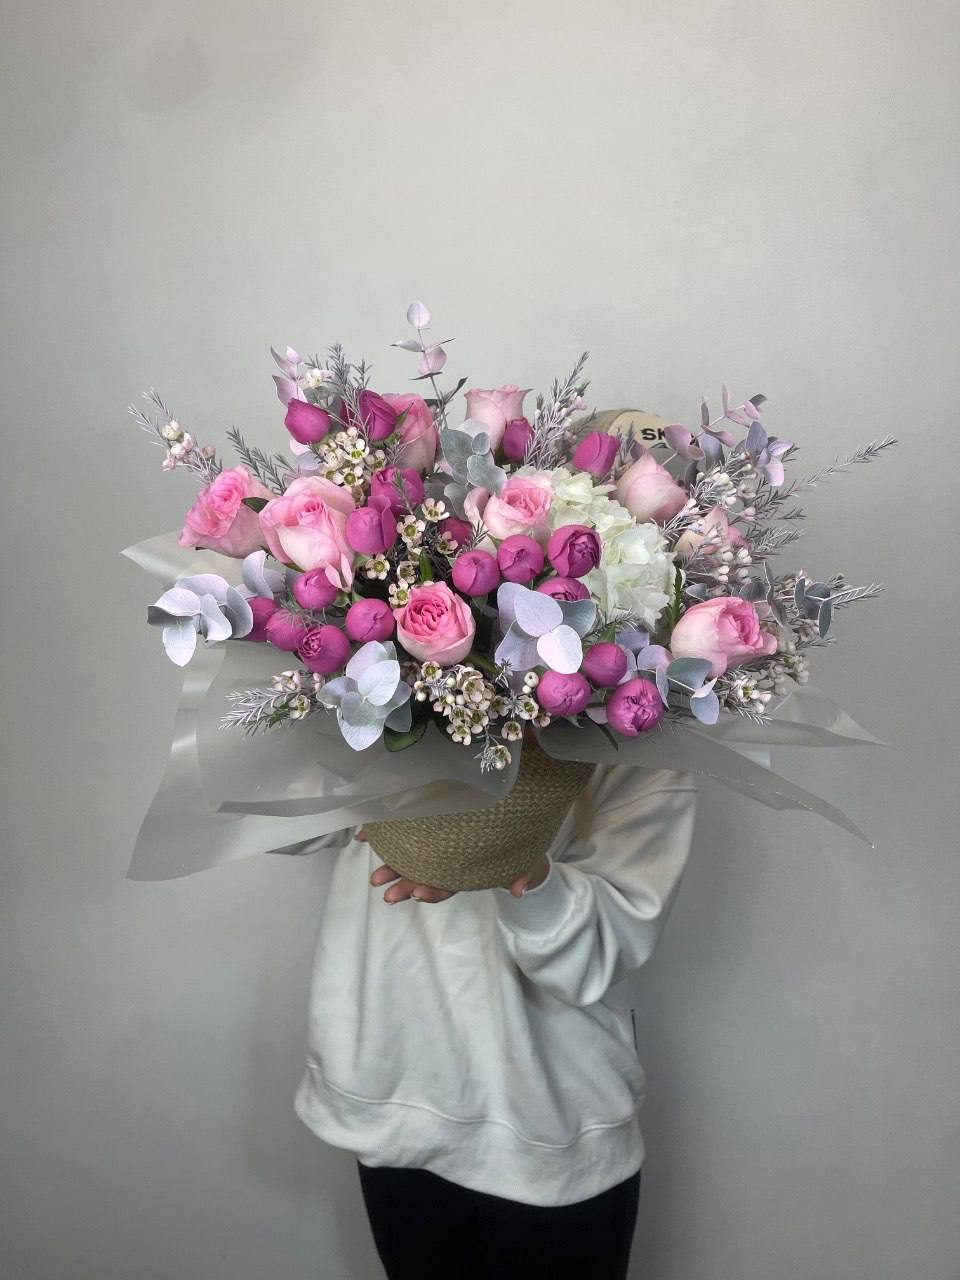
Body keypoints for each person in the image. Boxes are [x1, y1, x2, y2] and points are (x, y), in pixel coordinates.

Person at [294, 762, 698, 1279]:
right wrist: (359, 771)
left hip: (545, 1118)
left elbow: (601, 948)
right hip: (394, 1089)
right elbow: (283, 817)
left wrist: (513, 859)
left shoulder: (646, 740)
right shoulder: (367, 713)